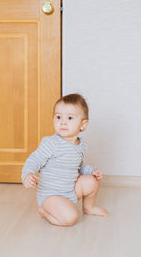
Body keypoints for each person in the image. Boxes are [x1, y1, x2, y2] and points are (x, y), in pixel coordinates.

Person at [21, 93, 108, 226]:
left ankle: (88, 208)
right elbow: (34, 159)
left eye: (70, 118)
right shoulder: (51, 143)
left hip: (71, 191)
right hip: (51, 196)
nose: (62, 121)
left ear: (83, 125)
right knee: (71, 218)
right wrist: (27, 174)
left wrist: (92, 171)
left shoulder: (80, 145)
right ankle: (45, 212)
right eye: (58, 117)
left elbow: (78, 166)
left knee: (92, 181)